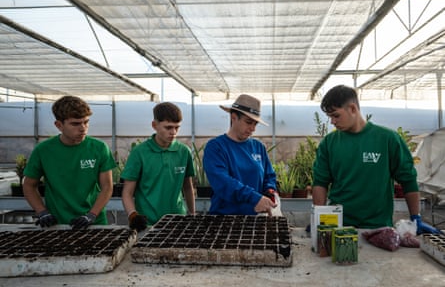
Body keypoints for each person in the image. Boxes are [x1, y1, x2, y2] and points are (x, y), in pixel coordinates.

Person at [312, 85, 441, 234]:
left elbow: (408, 179)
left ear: (352, 109)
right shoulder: (329, 143)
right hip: (340, 226)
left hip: (378, 227)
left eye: (336, 115)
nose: (332, 122)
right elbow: (320, 183)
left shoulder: (387, 139)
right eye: (330, 117)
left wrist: (415, 217)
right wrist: (318, 218)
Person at [23, 95, 116, 230]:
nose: (83, 128)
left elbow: (107, 187)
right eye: (75, 123)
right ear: (59, 125)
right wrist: (42, 212)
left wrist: (91, 215)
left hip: (93, 223)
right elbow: (29, 185)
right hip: (57, 223)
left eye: (86, 122)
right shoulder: (43, 150)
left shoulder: (99, 148)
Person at [121, 102, 195, 232]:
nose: (173, 132)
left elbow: (188, 187)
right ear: (154, 125)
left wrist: (192, 214)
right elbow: (127, 192)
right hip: (148, 223)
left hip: (178, 221)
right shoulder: (140, 152)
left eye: (177, 127)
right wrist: (133, 215)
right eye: (168, 127)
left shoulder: (184, 152)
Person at [203, 94, 277, 216]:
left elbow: (269, 176)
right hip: (224, 218)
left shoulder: (258, 147)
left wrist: (269, 191)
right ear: (233, 117)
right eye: (248, 122)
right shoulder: (216, 147)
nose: (252, 128)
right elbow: (222, 182)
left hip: (254, 219)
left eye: (255, 124)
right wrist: (254, 198)